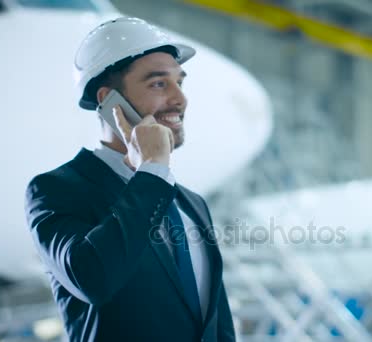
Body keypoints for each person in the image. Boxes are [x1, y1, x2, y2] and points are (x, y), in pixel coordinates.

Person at [24, 17, 235, 341]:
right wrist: (151, 168)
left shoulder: (192, 203)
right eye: (158, 84)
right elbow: (91, 277)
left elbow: (215, 323)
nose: (180, 99)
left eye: (180, 82)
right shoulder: (55, 190)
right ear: (109, 100)